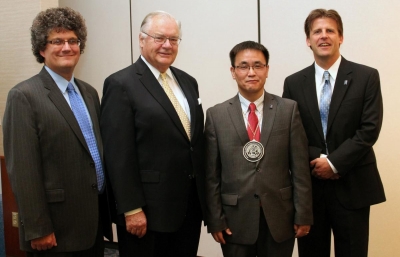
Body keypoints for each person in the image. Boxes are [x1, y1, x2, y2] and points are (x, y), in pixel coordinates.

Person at [2, 7, 112, 256]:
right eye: (57, 41)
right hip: (54, 231)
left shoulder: (89, 92)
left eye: (73, 41)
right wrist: (38, 228)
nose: (67, 47)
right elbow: (22, 170)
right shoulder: (24, 96)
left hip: (92, 223)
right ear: (42, 49)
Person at [100, 11, 205, 257]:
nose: (167, 45)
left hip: (188, 208)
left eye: (174, 39)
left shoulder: (188, 82)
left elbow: (192, 143)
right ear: (141, 39)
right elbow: (118, 154)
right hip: (147, 212)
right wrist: (131, 208)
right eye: (159, 38)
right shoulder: (121, 84)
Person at [282, 8, 386, 257]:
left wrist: (334, 163)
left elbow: (369, 129)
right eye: (317, 31)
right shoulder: (294, 83)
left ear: (341, 37)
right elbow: (290, 134)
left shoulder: (366, 76)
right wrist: (318, 160)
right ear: (308, 40)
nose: (323, 36)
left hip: (353, 186)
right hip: (311, 191)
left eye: (330, 30)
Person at [205, 41, 313, 257]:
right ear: (233, 72)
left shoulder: (288, 110)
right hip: (235, 219)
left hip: (280, 217)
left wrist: (304, 215)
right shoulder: (216, 115)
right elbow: (211, 176)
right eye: (243, 66)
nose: (251, 72)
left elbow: (300, 169)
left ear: (267, 70)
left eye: (258, 65)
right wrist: (215, 220)